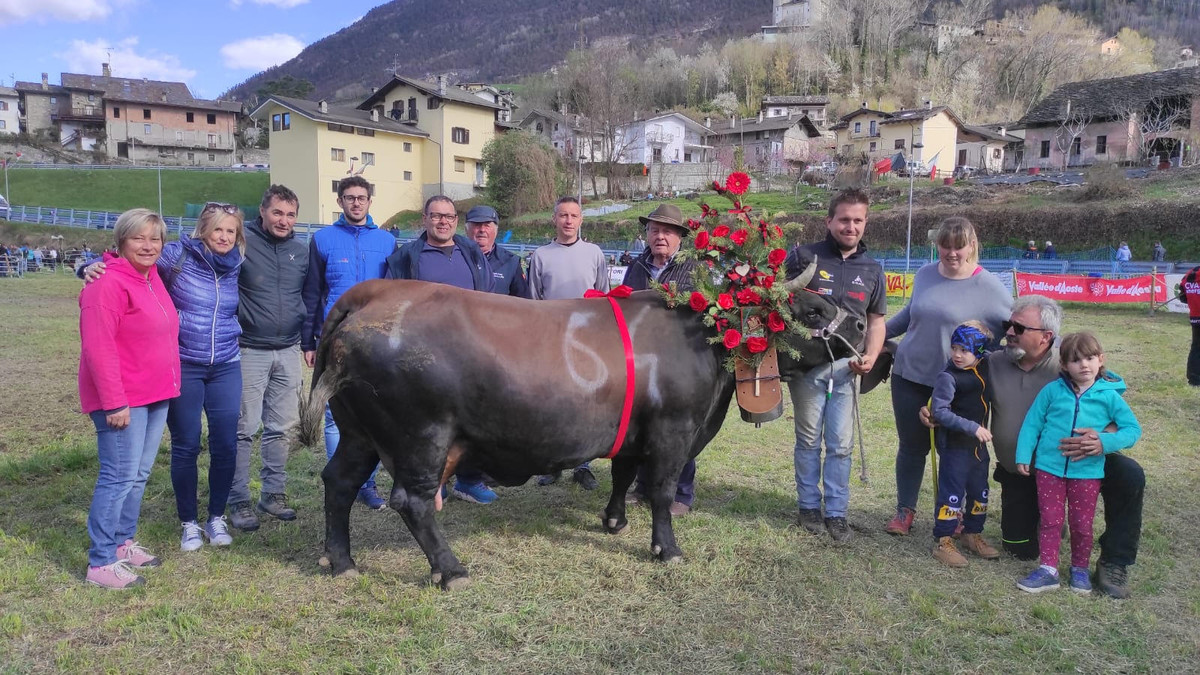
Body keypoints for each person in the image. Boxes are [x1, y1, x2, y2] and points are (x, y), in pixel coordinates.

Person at [923, 295, 1147, 598]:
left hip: (1081, 461)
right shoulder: (992, 361)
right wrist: (930, 410)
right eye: (1008, 324)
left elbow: (1111, 387)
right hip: (1023, 468)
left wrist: (1103, 436)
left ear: (1046, 337)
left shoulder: (1067, 364)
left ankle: (1114, 562)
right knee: (1020, 548)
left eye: (1019, 326)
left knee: (1130, 474)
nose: (1009, 331)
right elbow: (954, 379)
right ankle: (1050, 523)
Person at [884, 217, 1011, 536]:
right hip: (910, 374)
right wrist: (874, 336)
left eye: (959, 246)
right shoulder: (926, 274)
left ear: (972, 246)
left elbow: (1012, 331)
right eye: (945, 246)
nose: (952, 252)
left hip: (959, 386)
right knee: (911, 447)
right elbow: (909, 316)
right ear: (937, 244)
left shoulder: (991, 287)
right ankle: (905, 511)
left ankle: (954, 513)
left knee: (955, 450)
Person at [79, 209, 180, 588]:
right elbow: (99, 348)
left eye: (155, 239)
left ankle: (122, 541)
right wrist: (114, 402)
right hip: (124, 399)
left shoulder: (153, 279)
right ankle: (100, 561)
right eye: (139, 238)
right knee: (117, 476)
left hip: (155, 394)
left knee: (137, 475)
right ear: (121, 240)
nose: (148, 245)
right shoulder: (105, 285)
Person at [785, 189, 887, 543]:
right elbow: (781, 304)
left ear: (865, 223)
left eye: (858, 220)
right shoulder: (803, 257)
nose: (851, 226)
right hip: (807, 367)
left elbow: (876, 321)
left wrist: (871, 356)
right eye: (844, 219)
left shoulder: (872, 268)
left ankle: (837, 513)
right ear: (829, 221)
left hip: (847, 369)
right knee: (809, 440)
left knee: (841, 444)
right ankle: (809, 507)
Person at [386, 196, 497, 504]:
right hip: (423, 353)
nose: (443, 222)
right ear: (425, 219)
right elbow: (393, 303)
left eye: (448, 216)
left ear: (456, 221)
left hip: (469, 351)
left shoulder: (471, 251)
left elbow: (486, 296)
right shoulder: (407, 256)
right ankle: (432, 481)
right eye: (436, 216)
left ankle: (469, 479)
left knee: (471, 418)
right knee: (426, 421)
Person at [1014, 332, 1141, 594]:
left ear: (1101, 360)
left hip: (1087, 472)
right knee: (1050, 519)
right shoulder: (1051, 391)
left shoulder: (1109, 396)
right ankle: (1048, 569)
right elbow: (1033, 422)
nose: (1084, 365)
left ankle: (1079, 569)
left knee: (1082, 524)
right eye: (1076, 360)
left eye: (1090, 358)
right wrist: (1024, 454)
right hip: (1049, 469)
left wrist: (1104, 443)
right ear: (1063, 365)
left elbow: (1132, 430)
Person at [302, 175, 397, 509]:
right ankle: (342, 481)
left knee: (371, 412)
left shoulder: (387, 241)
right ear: (340, 202)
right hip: (335, 336)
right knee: (334, 412)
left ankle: (367, 484)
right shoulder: (323, 239)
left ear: (370, 201)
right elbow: (313, 292)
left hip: (374, 338)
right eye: (349, 197)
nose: (356, 203)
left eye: (361, 197)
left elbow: (394, 292)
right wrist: (309, 341)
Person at [226, 185, 310, 532]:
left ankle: (273, 494)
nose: (284, 220)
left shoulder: (301, 251)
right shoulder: (240, 242)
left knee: (281, 428)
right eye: (277, 212)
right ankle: (238, 500)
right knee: (244, 428)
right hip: (248, 349)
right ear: (262, 211)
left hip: (288, 349)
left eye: (290, 215)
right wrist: (96, 266)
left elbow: (311, 293)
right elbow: (187, 253)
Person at [621, 204, 700, 515]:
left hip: (677, 360)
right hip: (639, 359)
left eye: (667, 231)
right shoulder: (637, 266)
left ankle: (681, 493)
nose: (660, 236)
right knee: (641, 426)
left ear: (680, 236)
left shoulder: (693, 268)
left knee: (678, 429)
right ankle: (642, 487)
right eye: (654, 230)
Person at [529, 196, 609, 489]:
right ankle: (551, 463)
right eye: (563, 215)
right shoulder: (540, 255)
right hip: (551, 340)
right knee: (551, 401)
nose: (568, 220)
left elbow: (603, 296)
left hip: (587, 340)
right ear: (555, 219)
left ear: (581, 220)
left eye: (573, 215)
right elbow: (534, 300)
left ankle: (583, 463)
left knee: (586, 403)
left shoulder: (594, 253)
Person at [928, 321, 1001, 567]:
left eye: (964, 350)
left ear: (979, 352)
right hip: (956, 447)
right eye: (954, 348)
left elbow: (1005, 354)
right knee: (952, 494)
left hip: (978, 449)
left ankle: (972, 534)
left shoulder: (985, 365)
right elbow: (939, 412)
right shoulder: (948, 377)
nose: (957, 355)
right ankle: (943, 540)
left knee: (980, 491)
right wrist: (973, 427)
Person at [463, 204, 528, 298]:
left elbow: (523, 301)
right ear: (466, 230)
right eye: (477, 225)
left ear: (496, 231)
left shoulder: (511, 262)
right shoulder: (456, 257)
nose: (482, 230)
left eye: (487, 225)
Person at [1178, 266, 1200, 385]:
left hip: (1195, 316)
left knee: (1196, 348)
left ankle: (1194, 379)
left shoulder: (1190, 273)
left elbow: (1182, 297)